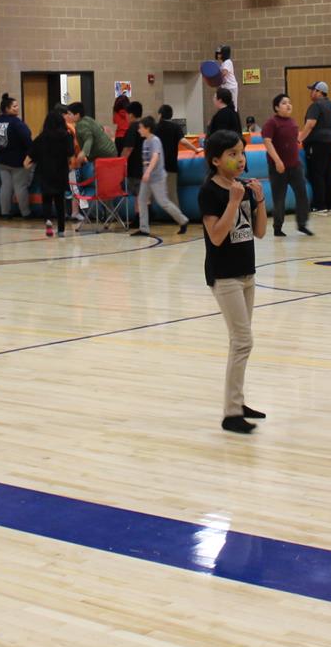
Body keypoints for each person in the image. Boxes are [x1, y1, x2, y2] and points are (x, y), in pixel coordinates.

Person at [199, 130, 267, 434]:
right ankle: (230, 413)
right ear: (216, 160)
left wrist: (259, 199)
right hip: (224, 275)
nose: (240, 159)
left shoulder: (241, 188)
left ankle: (237, 402)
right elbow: (216, 237)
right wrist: (233, 201)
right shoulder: (210, 192)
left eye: (241, 153)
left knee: (239, 341)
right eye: (232, 154)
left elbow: (260, 232)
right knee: (243, 341)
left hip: (246, 272)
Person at [258, 93, 312, 237]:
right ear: (276, 107)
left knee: (302, 194)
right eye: (284, 103)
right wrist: (277, 161)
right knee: (279, 198)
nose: (288, 105)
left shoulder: (293, 122)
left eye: (289, 102)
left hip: (295, 166)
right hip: (278, 168)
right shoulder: (272, 123)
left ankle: (302, 224)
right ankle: (277, 227)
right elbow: (267, 142)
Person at [133, 114, 190, 236]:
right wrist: (145, 173)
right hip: (147, 178)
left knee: (163, 202)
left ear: (147, 128)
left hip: (157, 178)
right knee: (142, 200)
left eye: (141, 127)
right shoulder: (145, 142)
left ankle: (183, 220)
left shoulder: (155, 141)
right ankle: (144, 228)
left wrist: (148, 172)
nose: (139, 130)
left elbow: (155, 156)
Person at [31, 108, 78, 238]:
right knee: (59, 200)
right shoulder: (66, 136)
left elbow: (32, 153)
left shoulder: (42, 137)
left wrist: (27, 162)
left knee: (46, 198)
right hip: (60, 171)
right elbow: (70, 153)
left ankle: (48, 220)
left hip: (44, 170)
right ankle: (61, 229)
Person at [0, 94, 35, 219]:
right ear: (7, 109)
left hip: (1, 160)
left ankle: (5, 212)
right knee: (20, 187)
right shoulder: (16, 123)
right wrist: (31, 155)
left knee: (5, 186)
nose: (17, 108)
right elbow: (27, 139)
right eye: (14, 106)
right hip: (18, 161)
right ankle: (25, 212)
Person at [298, 80, 331, 214]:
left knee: (317, 174)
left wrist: (299, 139)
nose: (311, 93)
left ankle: (320, 206)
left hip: (318, 143)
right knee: (328, 173)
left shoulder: (316, 106)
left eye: (312, 90)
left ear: (319, 92)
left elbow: (310, 124)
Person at [68, 102, 116, 216]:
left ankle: (108, 213)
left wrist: (83, 153)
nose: (69, 116)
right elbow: (100, 129)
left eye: (70, 114)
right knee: (106, 186)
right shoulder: (88, 119)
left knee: (102, 186)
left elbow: (89, 139)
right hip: (112, 153)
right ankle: (110, 212)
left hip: (102, 158)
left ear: (77, 115)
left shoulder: (81, 126)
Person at [154, 105, 189, 206]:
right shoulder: (175, 127)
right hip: (170, 164)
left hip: (157, 165)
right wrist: (195, 149)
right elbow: (183, 141)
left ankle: (150, 215)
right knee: (172, 193)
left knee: (151, 191)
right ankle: (178, 217)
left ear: (160, 115)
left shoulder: (155, 127)